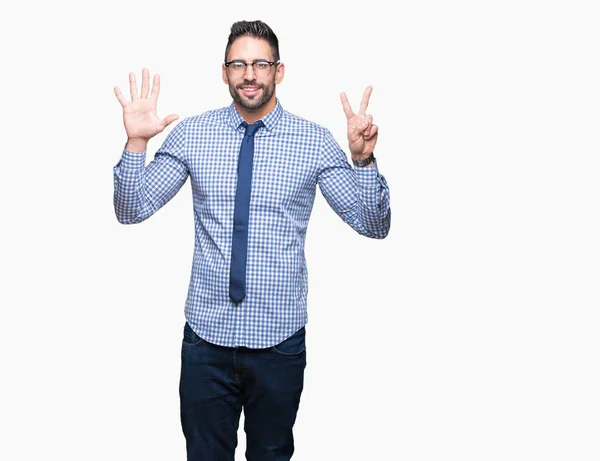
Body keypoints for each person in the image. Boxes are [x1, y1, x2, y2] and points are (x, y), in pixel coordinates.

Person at [113, 19, 390, 461]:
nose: (249, 74)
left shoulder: (314, 142)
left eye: (260, 64)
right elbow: (132, 210)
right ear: (223, 72)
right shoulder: (192, 135)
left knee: (272, 455)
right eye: (238, 64)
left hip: (278, 344)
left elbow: (372, 224)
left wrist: (364, 160)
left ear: (279, 72)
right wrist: (135, 144)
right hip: (206, 342)